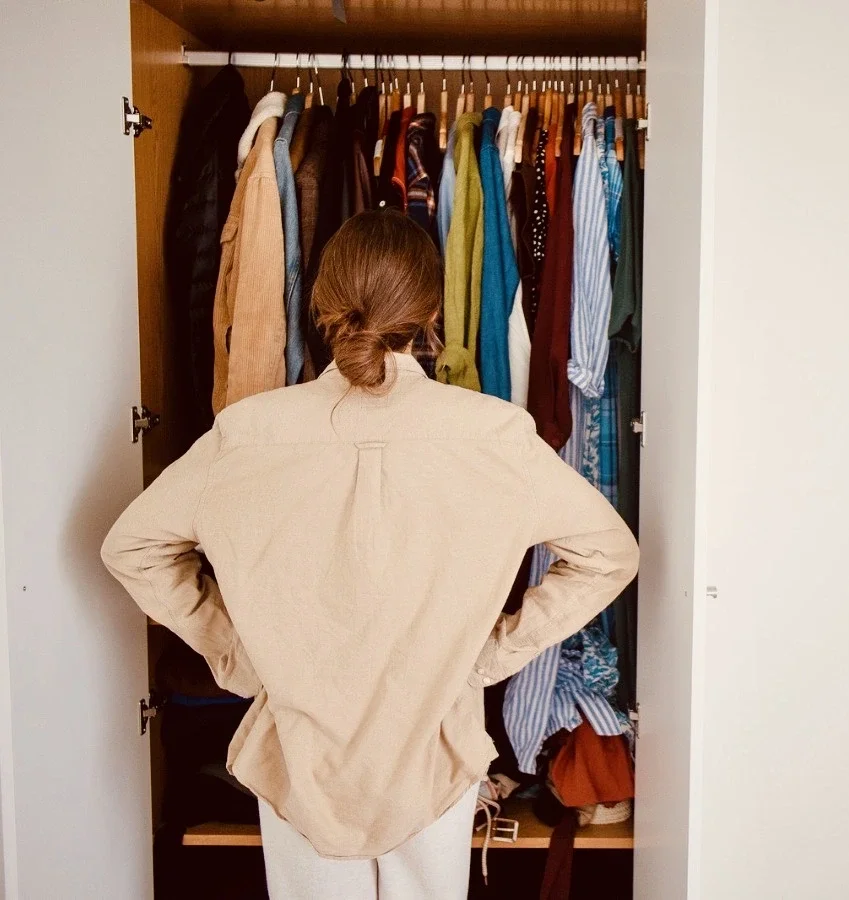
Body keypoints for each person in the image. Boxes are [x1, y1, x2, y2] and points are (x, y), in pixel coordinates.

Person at [101, 209, 639, 900]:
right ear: (429, 311)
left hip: (299, 752)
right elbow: (608, 555)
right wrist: (488, 654)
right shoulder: (493, 434)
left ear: (320, 304)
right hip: (433, 748)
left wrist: (234, 650)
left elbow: (133, 546)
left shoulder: (248, 433)